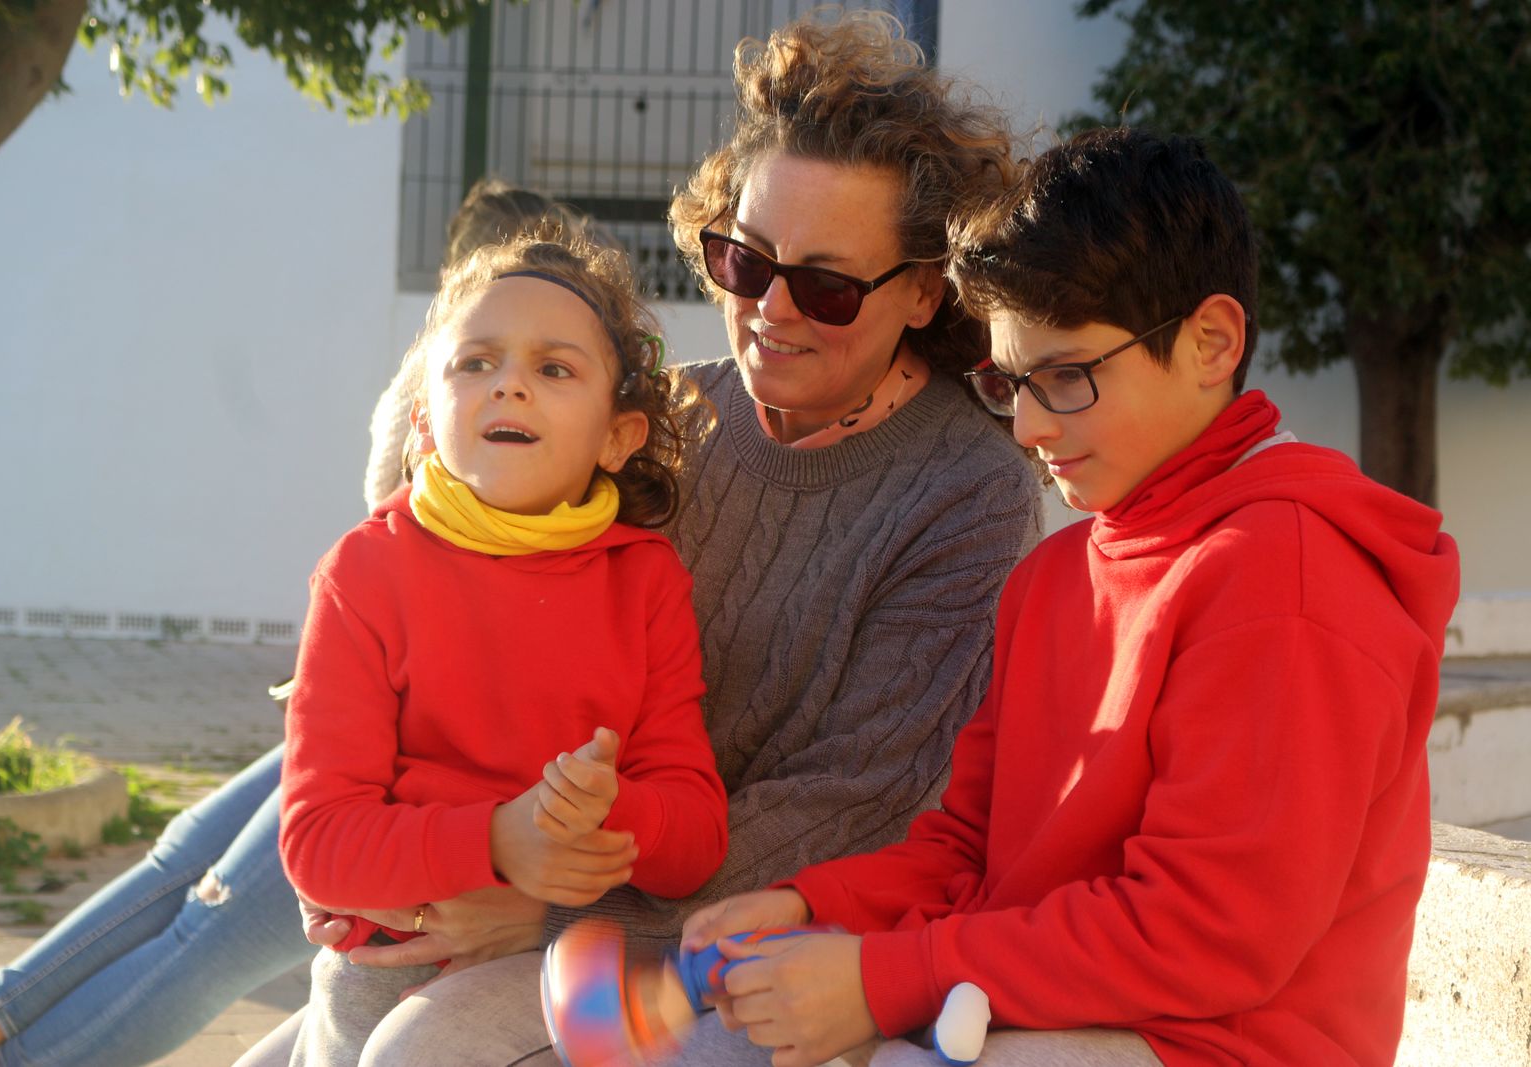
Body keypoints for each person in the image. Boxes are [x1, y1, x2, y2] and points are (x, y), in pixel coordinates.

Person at [248, 10, 1041, 1066]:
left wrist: (538, 898)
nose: (768, 310)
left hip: (708, 932)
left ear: (920, 294)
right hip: (508, 853)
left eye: (826, 285)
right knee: (267, 856)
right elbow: (455, 525)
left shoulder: (963, 490)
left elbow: (851, 807)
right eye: (744, 260)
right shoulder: (679, 412)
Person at [678, 127, 1461, 1067]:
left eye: (1068, 378)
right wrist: (819, 906)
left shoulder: (1287, 576)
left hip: (1206, 1043)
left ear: (1212, 341)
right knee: (715, 1048)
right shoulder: (1058, 573)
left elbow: (1204, 936)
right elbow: (973, 846)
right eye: (1010, 382)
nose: (1030, 426)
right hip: (1013, 1002)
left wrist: (886, 976)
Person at [0, 180, 616, 1067]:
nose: (511, 368)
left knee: (205, 930)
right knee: (183, 869)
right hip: (359, 725)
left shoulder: (517, 430)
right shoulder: (440, 389)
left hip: (402, 769)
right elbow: (390, 535)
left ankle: (8, 1045)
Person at [279, 233, 729, 1067]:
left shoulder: (646, 582)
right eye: (475, 362)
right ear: (423, 419)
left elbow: (696, 833)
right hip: (387, 955)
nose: (509, 382)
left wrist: (605, 810)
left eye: (555, 369)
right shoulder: (365, 571)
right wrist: (494, 839)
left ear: (618, 436)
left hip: (568, 957)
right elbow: (317, 844)